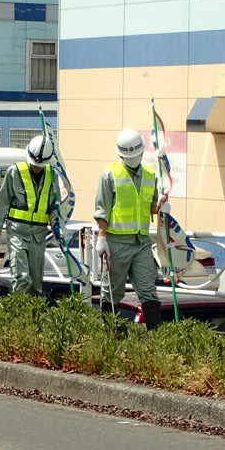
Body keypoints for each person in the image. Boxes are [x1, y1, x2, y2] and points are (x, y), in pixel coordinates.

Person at [94, 129, 164, 330]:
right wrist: (102, 237)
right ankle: (110, 334)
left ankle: (157, 338)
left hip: (141, 242)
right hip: (116, 242)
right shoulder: (110, 174)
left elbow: (150, 206)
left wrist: (160, 206)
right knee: (112, 291)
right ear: (120, 155)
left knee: (148, 289)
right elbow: (102, 209)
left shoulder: (151, 175)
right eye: (128, 156)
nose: (132, 159)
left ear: (142, 152)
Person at [0, 136, 56, 296]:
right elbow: (2, 200)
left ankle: (32, 316)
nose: (37, 168)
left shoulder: (52, 175)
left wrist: (58, 223)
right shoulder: (15, 172)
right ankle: (18, 313)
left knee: (36, 282)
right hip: (17, 233)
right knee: (21, 277)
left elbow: (55, 204)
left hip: (39, 236)